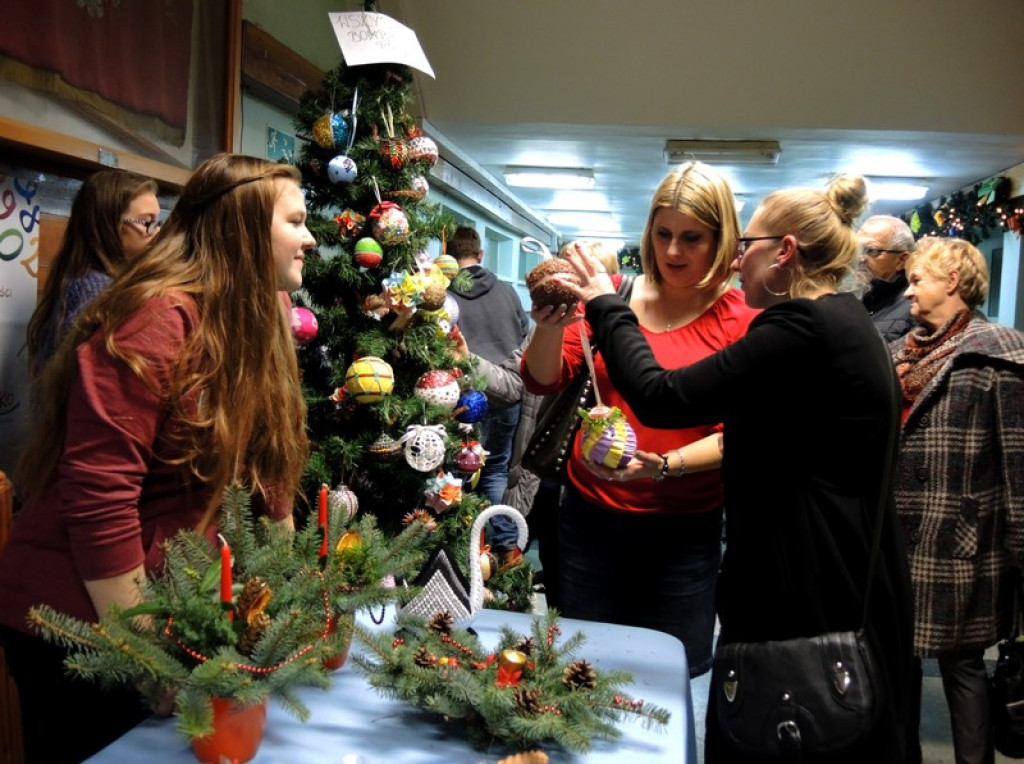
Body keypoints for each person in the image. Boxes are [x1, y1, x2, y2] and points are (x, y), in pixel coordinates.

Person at [560, 174, 915, 761]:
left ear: (785, 252)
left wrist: (603, 301)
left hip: (809, 587)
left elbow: (661, 395)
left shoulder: (802, 327)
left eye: (745, 243)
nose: (735, 260)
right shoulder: (845, 320)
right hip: (840, 574)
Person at [0, 154, 315, 764]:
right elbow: (100, 502)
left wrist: (289, 604)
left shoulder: (262, 313)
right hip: (80, 623)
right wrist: (150, 661)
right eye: (296, 220)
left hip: (167, 609)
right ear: (244, 225)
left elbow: (269, 476)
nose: (308, 238)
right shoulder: (158, 321)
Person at [521, 162, 760, 677]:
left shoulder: (742, 320)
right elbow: (544, 378)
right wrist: (546, 327)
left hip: (683, 532)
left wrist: (662, 466)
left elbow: (741, 434)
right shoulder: (615, 300)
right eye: (664, 233)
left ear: (722, 240)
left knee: (665, 677)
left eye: (692, 238)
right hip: (589, 520)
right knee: (579, 669)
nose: (673, 251)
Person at [892, 236, 1024, 764]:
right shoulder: (900, 353)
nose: (907, 293)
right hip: (896, 534)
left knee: (963, 664)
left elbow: (1018, 461)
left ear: (952, 282)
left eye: (917, 280)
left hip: (960, 540)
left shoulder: (999, 353)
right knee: (896, 660)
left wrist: (1021, 548)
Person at [447, 225, 530, 570]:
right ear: (480, 255)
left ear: (449, 257)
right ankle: (506, 548)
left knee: (457, 475)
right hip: (506, 393)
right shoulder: (508, 292)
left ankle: (460, 555)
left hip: (462, 398)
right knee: (495, 471)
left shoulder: (444, 294)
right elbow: (524, 334)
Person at [25, 169, 161, 377]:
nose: (157, 233)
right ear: (107, 224)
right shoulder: (94, 288)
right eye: (146, 222)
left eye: (158, 222)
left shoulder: (85, 280)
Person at [857, 214, 916, 341]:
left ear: (901, 260)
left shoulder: (916, 307)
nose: (861, 259)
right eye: (858, 250)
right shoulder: (855, 302)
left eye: (871, 251)